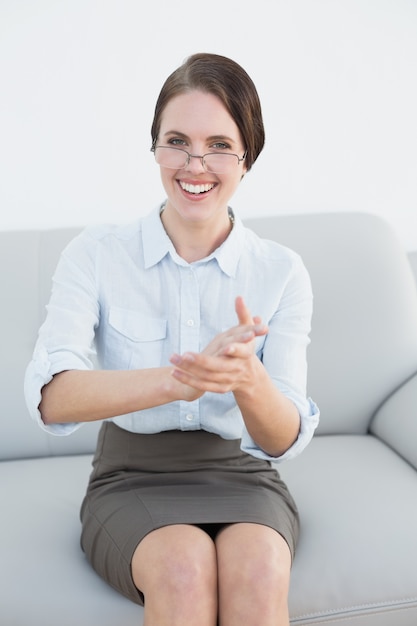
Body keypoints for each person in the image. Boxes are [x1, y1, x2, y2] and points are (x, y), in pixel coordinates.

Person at [24, 52, 319, 626]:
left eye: (217, 144)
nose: (195, 163)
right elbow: (52, 398)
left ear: (246, 156)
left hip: (242, 473)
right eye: (176, 140)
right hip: (131, 475)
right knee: (182, 567)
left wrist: (246, 378)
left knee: (259, 569)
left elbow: (283, 439)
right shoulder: (96, 254)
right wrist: (179, 380)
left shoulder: (281, 271)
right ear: (155, 147)